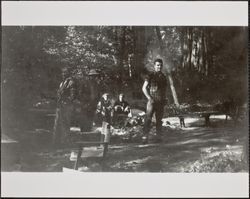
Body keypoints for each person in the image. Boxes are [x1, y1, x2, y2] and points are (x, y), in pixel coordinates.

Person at [142, 58, 168, 144]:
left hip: (160, 101)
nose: (159, 67)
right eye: (157, 65)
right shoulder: (150, 75)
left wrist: (165, 98)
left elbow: (164, 90)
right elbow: (144, 88)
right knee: (148, 119)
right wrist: (149, 98)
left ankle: (158, 137)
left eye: (160, 65)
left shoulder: (164, 77)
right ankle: (145, 137)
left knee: (159, 120)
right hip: (152, 102)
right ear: (154, 66)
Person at [53, 67, 77, 147]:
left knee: (65, 125)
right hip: (60, 106)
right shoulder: (62, 83)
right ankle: (57, 142)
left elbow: (73, 96)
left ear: (69, 73)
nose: (63, 74)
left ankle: (64, 143)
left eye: (65, 72)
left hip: (66, 106)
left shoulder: (71, 82)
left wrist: (66, 102)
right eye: (63, 72)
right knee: (58, 124)